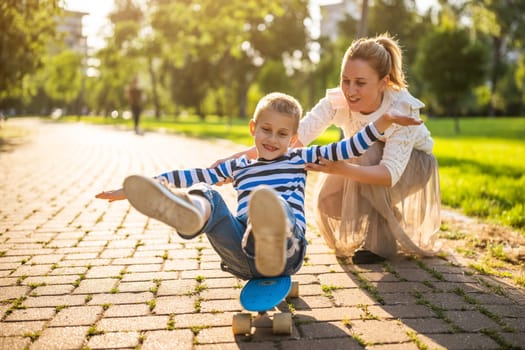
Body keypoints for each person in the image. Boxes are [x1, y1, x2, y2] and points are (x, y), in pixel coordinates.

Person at [95, 92, 421, 280]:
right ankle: (194, 214)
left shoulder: (300, 157)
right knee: (207, 193)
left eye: (282, 134)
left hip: (286, 253)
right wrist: (142, 189)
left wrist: (384, 120)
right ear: (253, 128)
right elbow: (194, 174)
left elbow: (349, 147)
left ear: (293, 138)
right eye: (265, 130)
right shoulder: (239, 166)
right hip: (240, 254)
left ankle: (269, 231)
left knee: (272, 204)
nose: (271, 139)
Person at [217, 33, 441, 264]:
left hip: (411, 168)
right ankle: (388, 215)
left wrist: (339, 169)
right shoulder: (338, 100)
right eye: (346, 80)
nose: (350, 90)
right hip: (361, 159)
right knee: (328, 201)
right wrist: (230, 164)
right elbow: (290, 141)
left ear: (383, 82)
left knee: (367, 152)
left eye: (360, 83)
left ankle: (380, 242)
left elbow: (388, 174)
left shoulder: (401, 107)